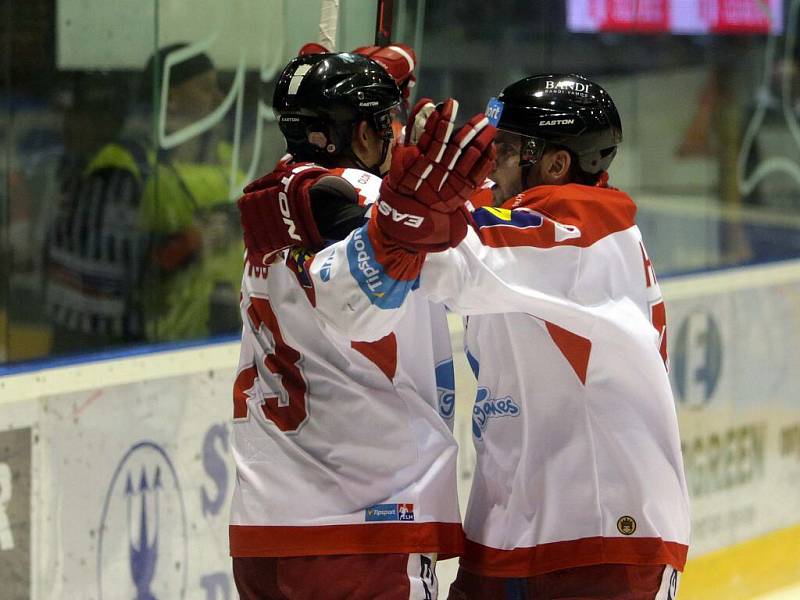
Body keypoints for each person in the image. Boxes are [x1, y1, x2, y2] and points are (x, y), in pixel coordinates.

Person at [250, 73, 690, 599]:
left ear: (553, 163)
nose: (488, 165)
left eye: (503, 150)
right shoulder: (529, 216)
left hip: (602, 539)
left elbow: (445, 254)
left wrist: (337, 199)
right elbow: (449, 218)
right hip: (507, 533)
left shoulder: (587, 227)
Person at [230, 51, 495, 600]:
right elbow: (478, 266)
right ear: (359, 132)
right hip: (367, 520)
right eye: (383, 121)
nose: (394, 135)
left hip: (266, 525)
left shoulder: (276, 197)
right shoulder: (372, 198)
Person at [44, 43, 244, 352]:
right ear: (172, 99)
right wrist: (189, 243)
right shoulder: (126, 169)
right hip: (130, 348)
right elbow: (103, 274)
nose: (219, 98)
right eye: (206, 89)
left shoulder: (226, 160)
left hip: (213, 338)